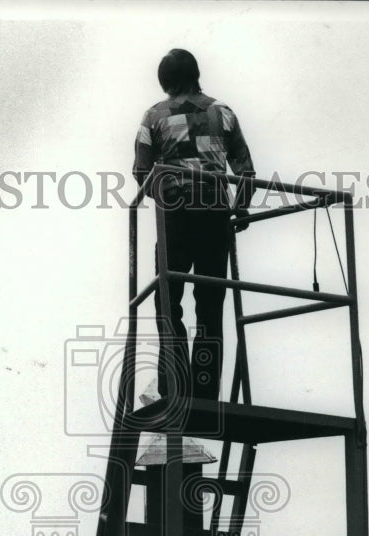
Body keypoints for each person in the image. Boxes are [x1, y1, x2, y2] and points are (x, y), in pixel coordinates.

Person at [133, 48, 255, 403]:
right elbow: (246, 169)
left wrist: (167, 194)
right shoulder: (223, 113)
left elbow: (141, 172)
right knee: (211, 302)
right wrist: (241, 208)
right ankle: (204, 391)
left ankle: (173, 386)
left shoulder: (153, 116)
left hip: (176, 218)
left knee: (168, 301)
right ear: (197, 75)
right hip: (216, 214)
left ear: (165, 81)